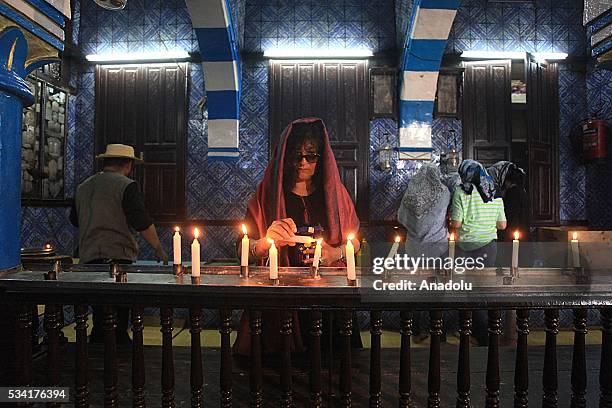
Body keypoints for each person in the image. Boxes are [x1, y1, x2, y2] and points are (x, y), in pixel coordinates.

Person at [233, 118, 361, 355]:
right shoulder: (267, 194)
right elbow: (242, 246)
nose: (303, 162)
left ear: (320, 158)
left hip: (328, 296)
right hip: (281, 296)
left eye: (310, 156)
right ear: (284, 156)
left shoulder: (335, 194)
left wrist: (336, 253)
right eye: (296, 155)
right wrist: (265, 242)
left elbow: (355, 241)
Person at [70, 143, 168, 344]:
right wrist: (158, 247)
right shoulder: (126, 185)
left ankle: (97, 347)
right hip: (118, 256)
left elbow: (74, 219)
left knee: (99, 310)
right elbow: (141, 222)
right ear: (128, 165)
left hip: (89, 256)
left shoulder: (83, 186)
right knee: (120, 311)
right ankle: (120, 350)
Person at [450, 159, 506, 346]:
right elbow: (502, 224)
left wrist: (453, 220)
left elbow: (457, 223)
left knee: (468, 292)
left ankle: (481, 336)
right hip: (489, 247)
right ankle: (488, 332)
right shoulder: (495, 192)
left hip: (467, 248)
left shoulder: (461, 191)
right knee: (483, 290)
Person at [397, 163, 452, 340]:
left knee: (416, 290)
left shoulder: (411, 193)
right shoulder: (444, 192)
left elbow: (401, 217)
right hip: (438, 247)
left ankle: (416, 331)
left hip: (415, 249)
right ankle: (439, 333)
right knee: (438, 291)